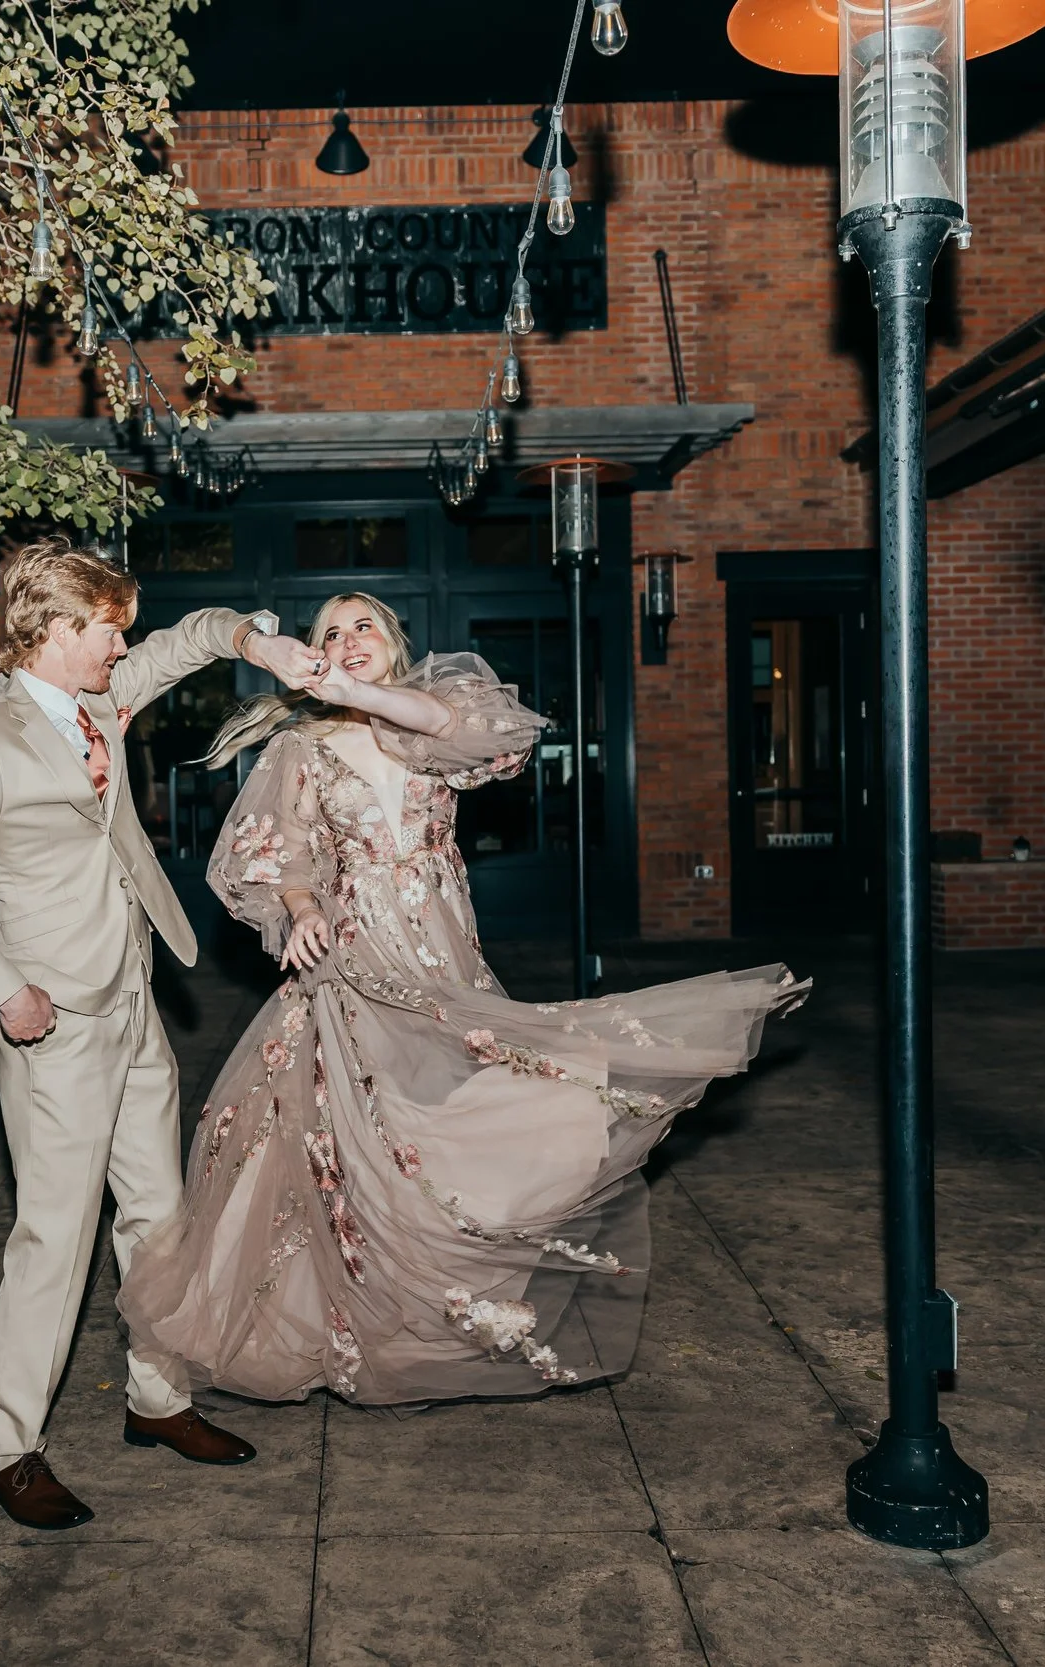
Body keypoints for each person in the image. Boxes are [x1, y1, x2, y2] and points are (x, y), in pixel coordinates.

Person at [119, 593, 811, 1406]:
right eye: (330, 633)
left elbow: (506, 738)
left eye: (362, 626)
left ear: (394, 642)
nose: (347, 640)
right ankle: (361, 1320)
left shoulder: (435, 715)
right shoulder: (300, 750)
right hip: (357, 965)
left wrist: (359, 694)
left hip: (444, 963)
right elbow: (279, 857)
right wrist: (301, 910)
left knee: (483, 1119)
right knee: (359, 1147)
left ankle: (435, 1307)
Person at [0, 540, 322, 1531]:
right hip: (54, 1025)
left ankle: (157, 1399)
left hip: (131, 1003)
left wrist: (262, 643)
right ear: (52, 630)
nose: (123, 646)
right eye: (107, 630)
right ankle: (6, 1447)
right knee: (54, 1234)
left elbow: (195, 639)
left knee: (158, 1217)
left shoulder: (103, 702)